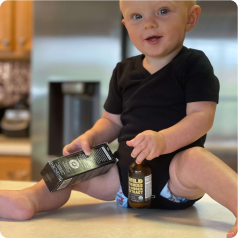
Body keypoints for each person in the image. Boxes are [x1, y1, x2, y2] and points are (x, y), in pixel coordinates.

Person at [0, 0, 237, 237]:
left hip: (175, 181)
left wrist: (163, 141)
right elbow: (112, 122)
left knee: (197, 159)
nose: (149, 24)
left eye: (163, 11)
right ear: (125, 24)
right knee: (75, 164)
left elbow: (201, 117)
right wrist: (90, 136)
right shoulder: (123, 71)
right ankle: (30, 199)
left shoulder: (194, 64)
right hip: (123, 180)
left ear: (191, 18)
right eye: (137, 16)